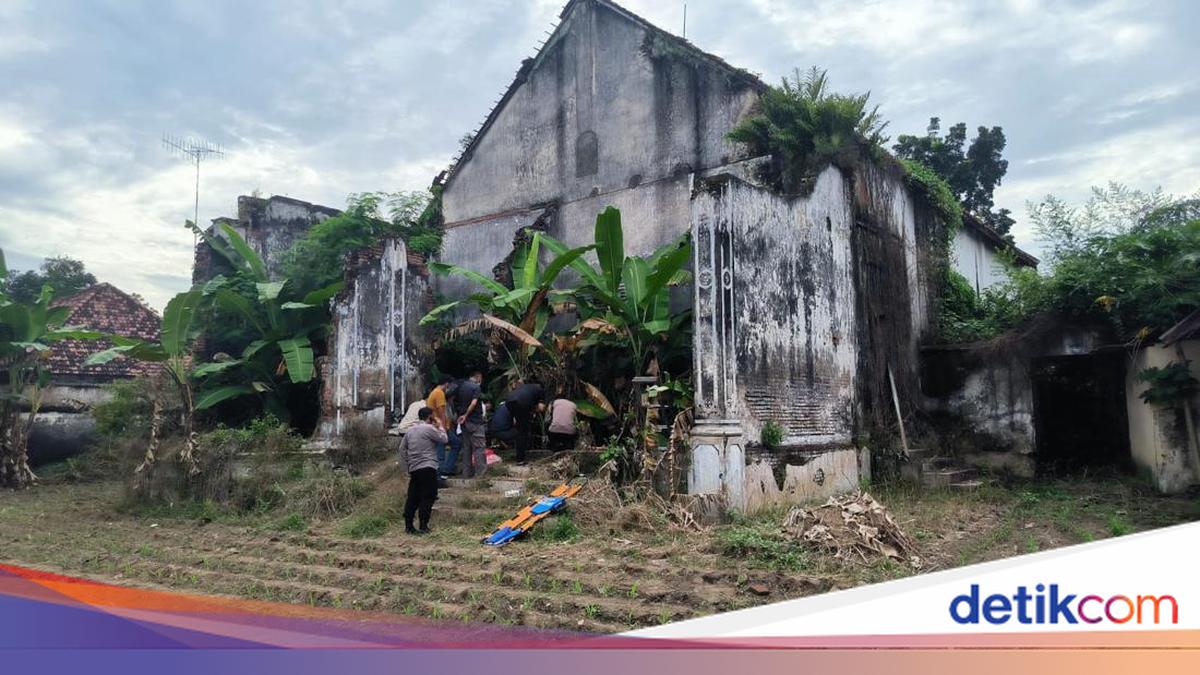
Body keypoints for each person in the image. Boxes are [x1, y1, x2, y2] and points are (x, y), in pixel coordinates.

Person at [399, 407, 447, 535]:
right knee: (428, 496)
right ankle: (423, 525)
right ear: (430, 416)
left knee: (413, 497)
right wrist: (440, 426)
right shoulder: (429, 429)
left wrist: (406, 467)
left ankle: (408, 526)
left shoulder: (410, 431)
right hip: (428, 466)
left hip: (414, 468)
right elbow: (444, 439)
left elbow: (402, 449)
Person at [453, 371, 488, 478]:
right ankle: (480, 474)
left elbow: (453, 401)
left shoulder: (459, 387)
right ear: (477, 377)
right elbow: (473, 403)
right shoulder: (475, 388)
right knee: (479, 447)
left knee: (467, 447)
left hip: (463, 422)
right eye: (480, 378)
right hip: (475, 421)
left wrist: (460, 415)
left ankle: (466, 473)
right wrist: (466, 414)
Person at [504, 379, 546, 464]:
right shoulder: (540, 390)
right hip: (523, 402)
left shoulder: (526, 387)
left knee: (520, 429)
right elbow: (541, 408)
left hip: (509, 400)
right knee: (523, 432)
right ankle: (521, 459)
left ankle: (519, 455)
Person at [425, 376, 458, 478]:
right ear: (447, 384)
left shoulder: (434, 392)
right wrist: (443, 428)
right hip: (439, 426)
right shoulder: (439, 393)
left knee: (445, 447)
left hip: (435, 425)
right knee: (448, 447)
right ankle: (442, 472)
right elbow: (441, 412)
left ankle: (444, 470)